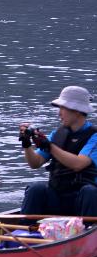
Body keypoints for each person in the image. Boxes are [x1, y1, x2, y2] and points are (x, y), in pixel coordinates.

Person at [19, 86, 97, 218]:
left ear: (77, 110)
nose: (59, 113)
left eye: (62, 108)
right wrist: (27, 144)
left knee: (90, 191)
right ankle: (24, 232)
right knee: (35, 189)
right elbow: (35, 163)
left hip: (82, 201)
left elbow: (79, 164)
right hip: (58, 198)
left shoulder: (94, 136)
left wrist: (49, 146)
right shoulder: (56, 135)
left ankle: (87, 230)